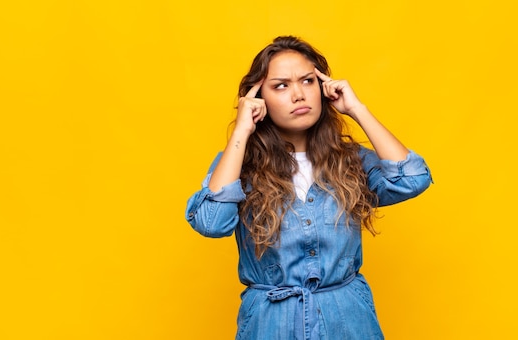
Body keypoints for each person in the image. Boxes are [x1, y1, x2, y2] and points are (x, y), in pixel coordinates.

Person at [185, 35, 432, 340]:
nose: (299, 95)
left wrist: (356, 108)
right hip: (270, 327)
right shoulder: (238, 166)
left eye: (307, 81)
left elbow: (412, 179)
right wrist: (242, 130)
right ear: (258, 98)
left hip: (348, 323)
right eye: (281, 86)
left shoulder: (351, 160)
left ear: (323, 89)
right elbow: (210, 223)